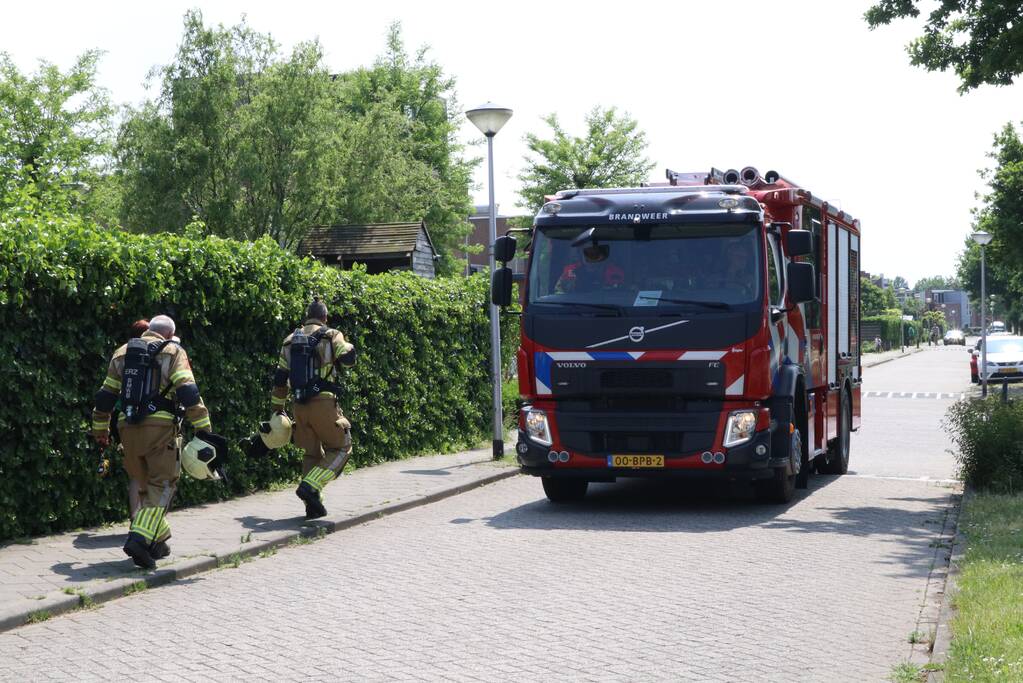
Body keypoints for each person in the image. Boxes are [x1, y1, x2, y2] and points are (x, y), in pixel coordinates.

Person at [91, 315, 213, 569]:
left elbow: (105, 396)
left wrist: (100, 429)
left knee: (146, 485)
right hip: (160, 429)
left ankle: (158, 542)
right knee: (165, 483)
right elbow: (187, 390)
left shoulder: (121, 352)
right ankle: (138, 539)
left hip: (127, 428)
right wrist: (204, 427)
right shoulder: (172, 350)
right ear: (169, 334)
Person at [271, 298, 357, 520]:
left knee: (311, 453)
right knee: (342, 447)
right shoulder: (331, 335)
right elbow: (346, 359)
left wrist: (277, 411)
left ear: (307, 316)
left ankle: (313, 507)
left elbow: (280, 380)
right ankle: (311, 486)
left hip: (299, 407)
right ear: (325, 317)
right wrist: (349, 347)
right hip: (324, 404)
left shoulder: (289, 341)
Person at [555, 244, 625, 294]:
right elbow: (558, 293)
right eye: (587, 253)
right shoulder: (570, 271)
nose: (591, 257)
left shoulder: (615, 272)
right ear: (581, 254)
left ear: (602, 255)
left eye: (595, 254)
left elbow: (618, 295)